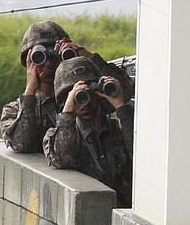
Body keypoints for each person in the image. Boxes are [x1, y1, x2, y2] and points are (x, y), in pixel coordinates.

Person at [0, 20, 134, 153]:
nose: (48, 64)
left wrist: (87, 56)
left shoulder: (86, 99)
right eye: (39, 57)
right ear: (29, 62)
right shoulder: (14, 111)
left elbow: (124, 93)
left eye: (54, 55)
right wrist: (30, 91)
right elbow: (21, 143)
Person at [43, 57, 133, 207]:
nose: (84, 103)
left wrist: (120, 106)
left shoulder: (116, 130)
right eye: (79, 97)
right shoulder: (55, 136)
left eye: (89, 94)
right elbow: (63, 158)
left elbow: (142, 154)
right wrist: (67, 111)